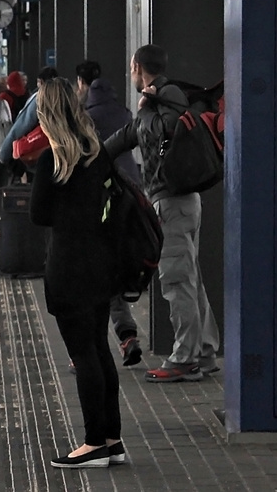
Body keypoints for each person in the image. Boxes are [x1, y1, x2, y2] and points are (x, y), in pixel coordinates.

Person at [104, 44, 220, 383]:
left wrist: (145, 111)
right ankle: (205, 351)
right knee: (190, 280)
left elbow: (163, 137)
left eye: (131, 66)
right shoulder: (160, 100)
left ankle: (185, 358)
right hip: (177, 202)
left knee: (177, 281)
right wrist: (93, 157)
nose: (130, 72)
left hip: (174, 202)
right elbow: (129, 137)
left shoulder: (167, 99)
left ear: (139, 67)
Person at [29, 77, 124, 469]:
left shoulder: (52, 159)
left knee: (83, 354)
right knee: (100, 350)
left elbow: (38, 215)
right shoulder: (96, 151)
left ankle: (92, 444)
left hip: (68, 266)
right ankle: (113, 439)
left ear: (47, 113)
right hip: (101, 264)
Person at [76, 60, 143, 367]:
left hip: (97, 201)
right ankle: (127, 335)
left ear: (83, 86)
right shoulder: (125, 113)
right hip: (127, 197)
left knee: (90, 276)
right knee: (113, 273)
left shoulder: (85, 118)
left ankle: (87, 350)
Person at [0, 67, 58, 168]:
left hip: (42, 152)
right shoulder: (68, 97)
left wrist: (4, 153)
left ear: (40, 82)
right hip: (67, 153)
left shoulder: (39, 98)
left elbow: (21, 126)